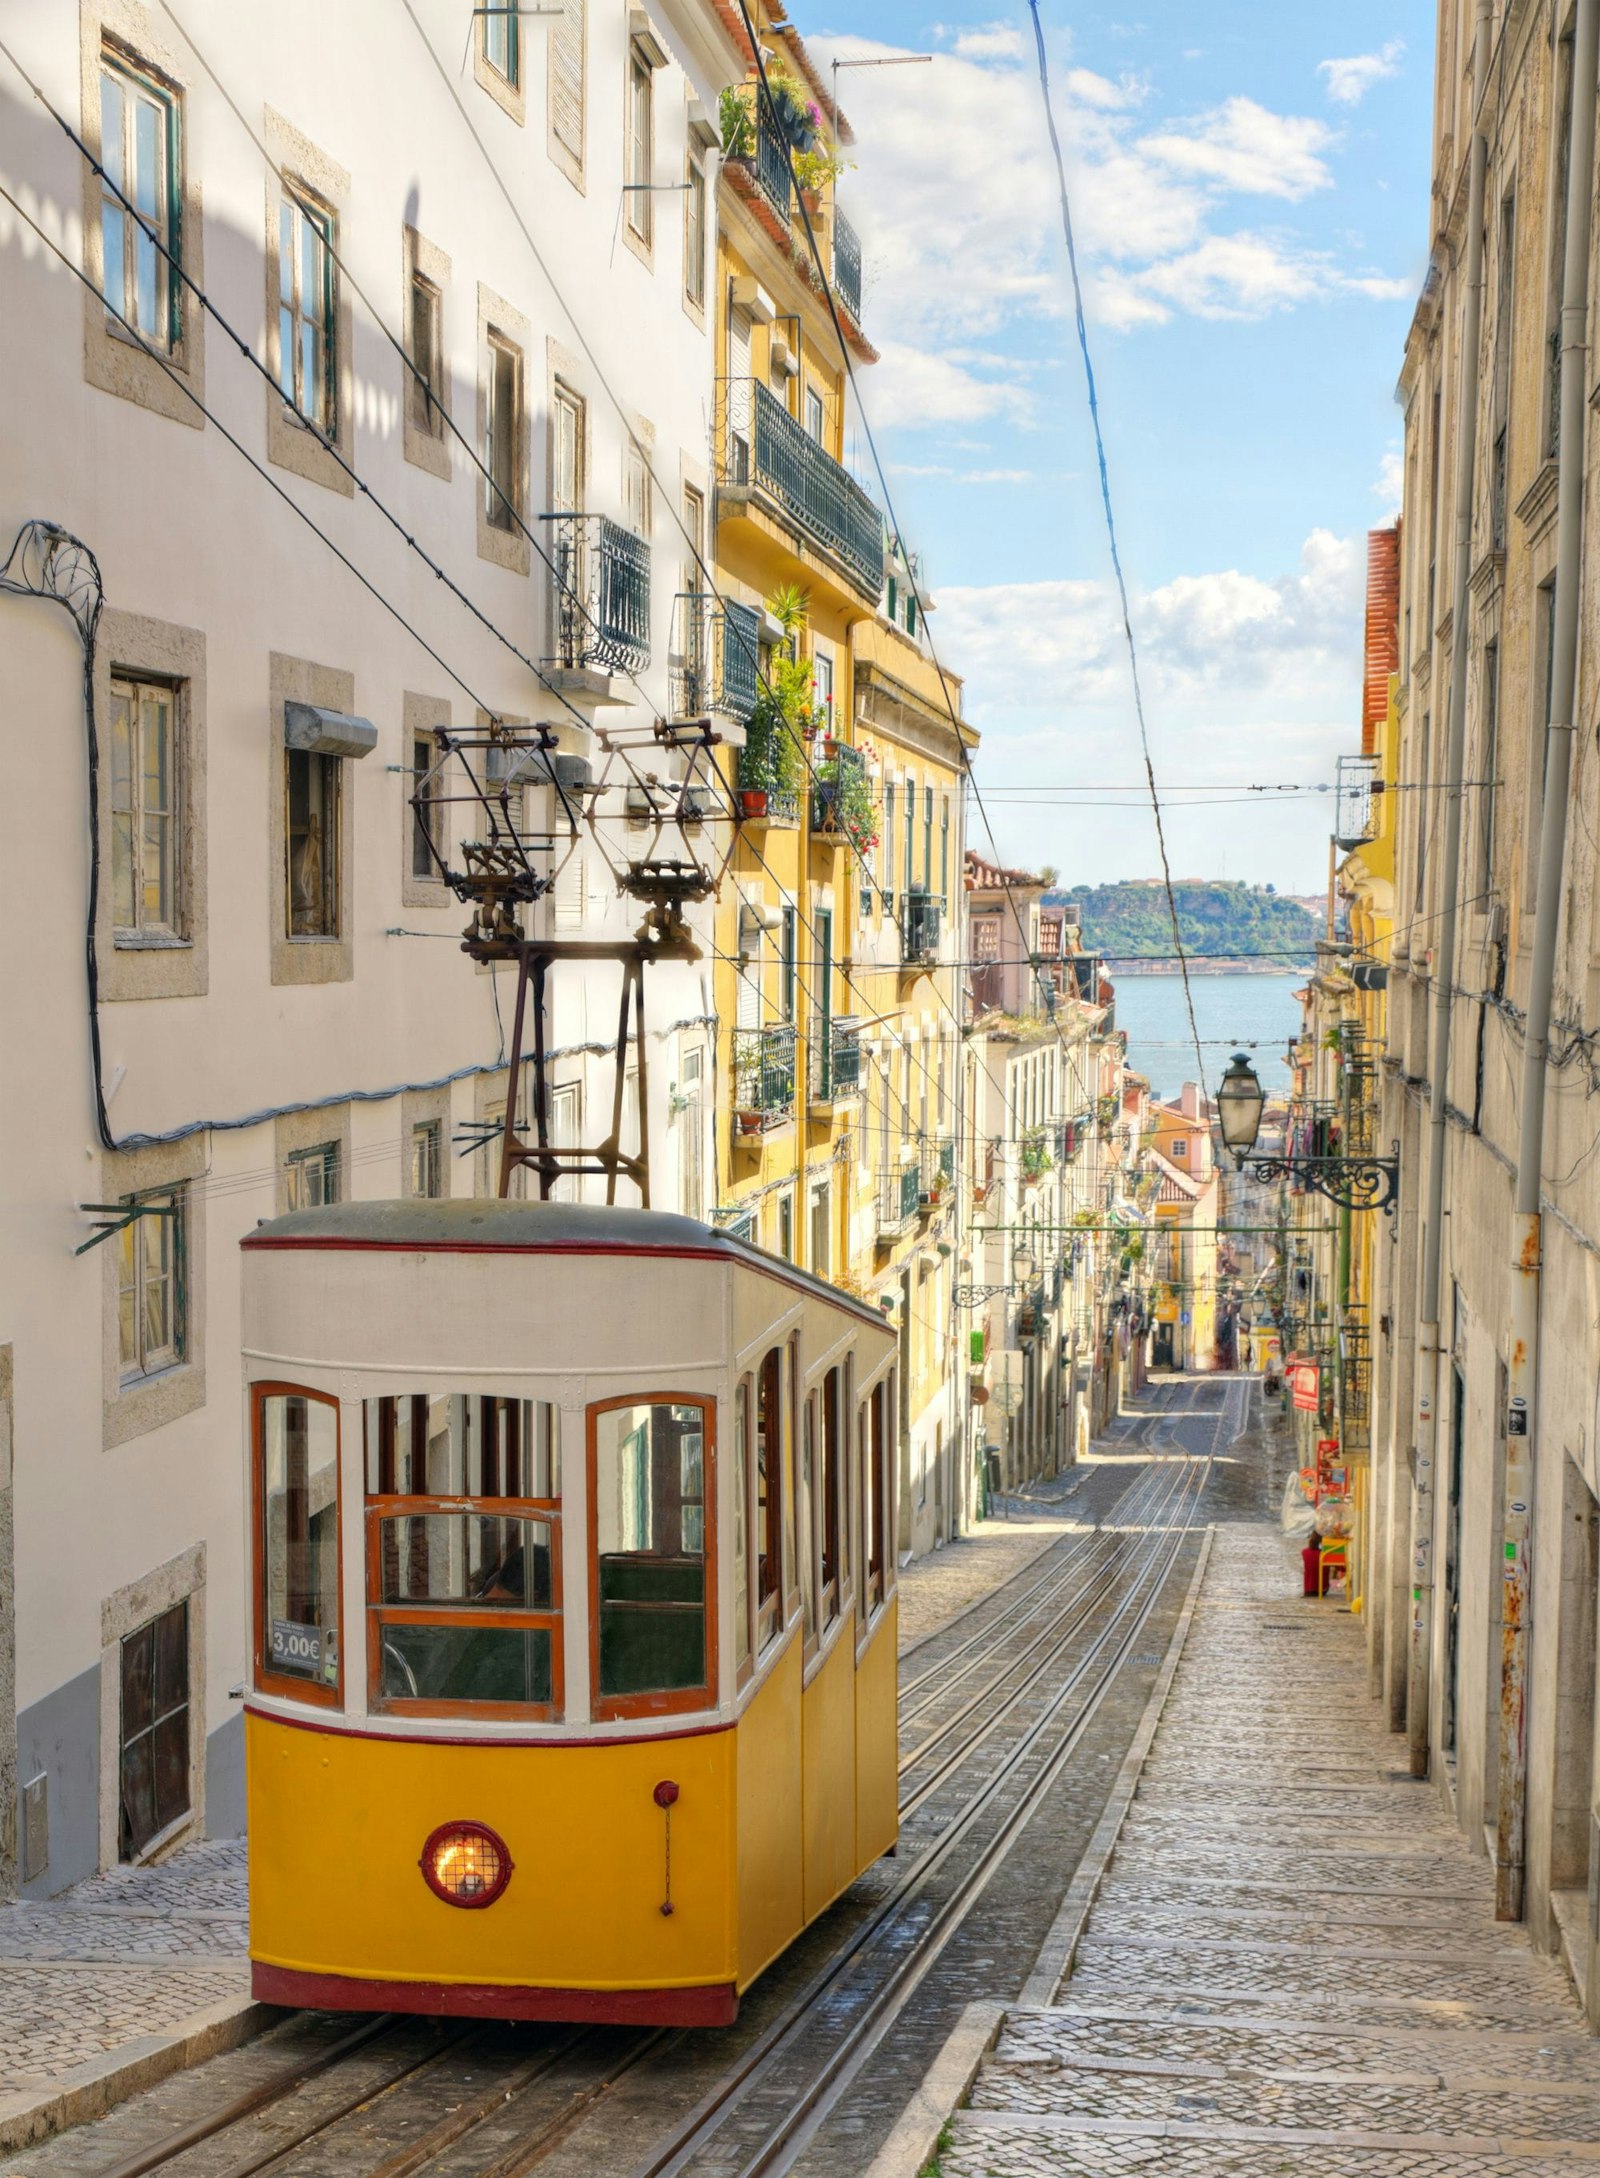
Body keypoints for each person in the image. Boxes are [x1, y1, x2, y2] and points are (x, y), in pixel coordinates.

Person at [1302, 1526, 1323, 1598]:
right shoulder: (1323, 1554)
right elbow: (1342, 1568)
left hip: (1307, 1591)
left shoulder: (1304, 1552)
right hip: (1322, 1590)